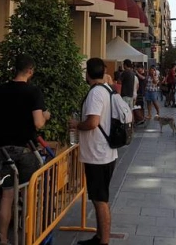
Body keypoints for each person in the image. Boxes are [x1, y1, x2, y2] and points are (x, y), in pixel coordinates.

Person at [0, 55, 50, 243]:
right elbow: (38, 123)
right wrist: (46, 116)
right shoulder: (33, 92)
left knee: (7, 195)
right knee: (28, 194)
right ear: (30, 71)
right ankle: (28, 237)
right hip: (26, 148)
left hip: (5, 148)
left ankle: (3, 237)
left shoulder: (1, 90)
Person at [72, 58, 119, 245]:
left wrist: (76, 124)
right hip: (105, 152)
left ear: (88, 73)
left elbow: (92, 122)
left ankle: (103, 241)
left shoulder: (95, 93)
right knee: (100, 197)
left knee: (100, 200)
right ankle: (99, 237)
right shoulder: (107, 89)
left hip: (98, 154)